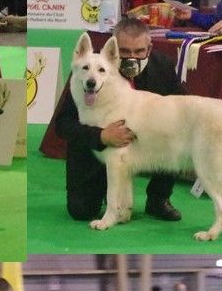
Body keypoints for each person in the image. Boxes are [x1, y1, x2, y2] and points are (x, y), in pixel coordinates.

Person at [55, 18, 184, 223]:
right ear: (114, 50)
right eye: (124, 51)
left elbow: (183, 109)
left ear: (149, 49)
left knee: (178, 133)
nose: (132, 57)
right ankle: (109, 195)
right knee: (81, 211)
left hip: (148, 146)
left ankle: (158, 199)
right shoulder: (87, 72)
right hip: (96, 151)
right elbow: (62, 125)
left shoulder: (163, 67)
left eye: (139, 51)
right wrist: (101, 135)